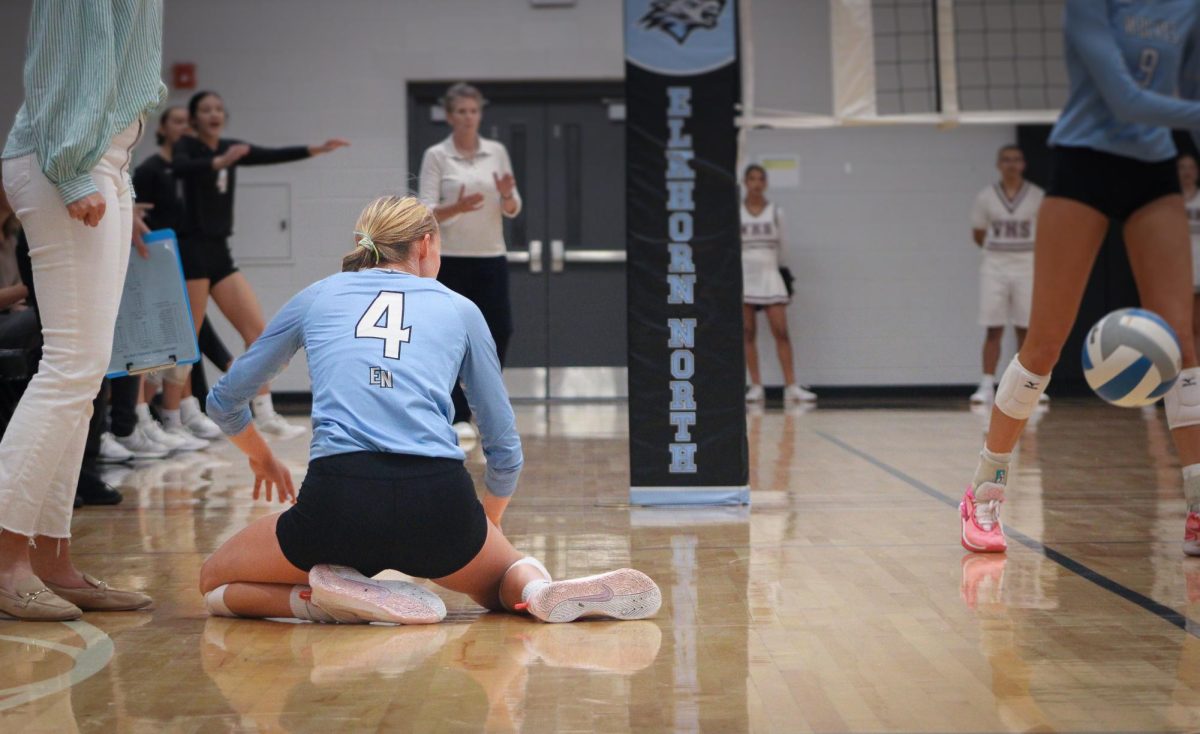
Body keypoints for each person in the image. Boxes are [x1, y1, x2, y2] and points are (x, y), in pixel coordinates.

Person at [198, 196, 660, 625]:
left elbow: (224, 401)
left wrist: (262, 456)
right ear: (425, 245)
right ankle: (539, 589)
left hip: (339, 500)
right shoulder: (460, 309)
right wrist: (487, 524)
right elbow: (503, 446)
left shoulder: (318, 295)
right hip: (438, 500)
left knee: (214, 580)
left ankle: (321, 599)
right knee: (507, 574)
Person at [960, 0, 1200, 555]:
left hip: (1153, 169)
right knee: (1045, 341)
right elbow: (1125, 99)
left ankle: (1196, 503)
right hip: (1085, 162)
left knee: (1184, 341)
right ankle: (984, 490)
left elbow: (1186, 91)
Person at [0, 0, 164, 620]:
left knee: (86, 373)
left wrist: (115, 182)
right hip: (67, 158)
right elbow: (61, 70)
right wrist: (72, 174)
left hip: (105, 162)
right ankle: (7, 557)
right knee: (70, 368)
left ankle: (51, 559)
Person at [172, 90, 349, 441]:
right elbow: (181, 168)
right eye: (206, 110)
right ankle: (181, 415)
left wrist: (314, 149)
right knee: (186, 339)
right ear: (194, 119)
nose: (214, 115)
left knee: (259, 331)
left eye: (219, 109)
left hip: (220, 252)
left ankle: (264, 412)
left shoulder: (231, 146)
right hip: (191, 249)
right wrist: (219, 164)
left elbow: (269, 155)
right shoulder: (188, 148)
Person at [418, 83, 522, 444]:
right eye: (460, 111)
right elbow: (426, 209)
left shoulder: (496, 152)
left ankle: (485, 403)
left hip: (490, 256)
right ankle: (457, 412)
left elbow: (513, 208)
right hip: (450, 261)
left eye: (473, 111)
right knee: (451, 337)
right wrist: (456, 208)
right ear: (449, 115)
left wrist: (507, 194)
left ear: (480, 114)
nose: (467, 117)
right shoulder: (437, 155)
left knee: (500, 330)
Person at [968, 145, 1046, 405]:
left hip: (1027, 266)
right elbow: (978, 233)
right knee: (993, 328)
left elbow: (1047, 232)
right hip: (995, 267)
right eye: (1006, 160)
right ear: (998, 164)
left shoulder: (1037, 195)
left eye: (1016, 160)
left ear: (1023, 164)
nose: (1011, 165)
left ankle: (1028, 386)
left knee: (1026, 327)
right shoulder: (986, 197)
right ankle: (987, 384)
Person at [740, 165, 814, 404]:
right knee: (747, 332)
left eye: (761, 179)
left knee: (781, 331)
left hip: (769, 273)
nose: (756, 183)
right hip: (745, 276)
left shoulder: (774, 212)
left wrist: (781, 272)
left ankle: (791, 386)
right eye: (752, 179)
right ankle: (756, 386)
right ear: (745, 182)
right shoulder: (737, 212)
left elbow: (783, 246)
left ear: (766, 183)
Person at [1180, 152, 1200, 351]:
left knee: (1198, 325)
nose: (1187, 172)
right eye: (1182, 167)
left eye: (1191, 167)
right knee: (1180, 326)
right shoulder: (1170, 202)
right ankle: (1183, 374)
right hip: (1178, 269)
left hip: (1199, 265)